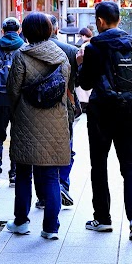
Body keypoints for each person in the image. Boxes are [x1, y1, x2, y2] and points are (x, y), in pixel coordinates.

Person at [76, 1, 132, 242]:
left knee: (99, 165)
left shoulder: (94, 47)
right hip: (129, 112)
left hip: (101, 113)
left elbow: (84, 83)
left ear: (99, 22)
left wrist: (80, 64)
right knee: (129, 166)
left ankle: (103, 218)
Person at [4, 13, 71, 240]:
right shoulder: (62, 56)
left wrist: (17, 111)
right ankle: (51, 227)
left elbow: (12, 90)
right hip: (55, 121)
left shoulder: (22, 56)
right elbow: (63, 89)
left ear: (27, 32)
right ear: (49, 30)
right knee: (51, 176)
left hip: (26, 120)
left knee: (23, 173)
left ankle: (21, 222)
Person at [31, 15, 78, 208]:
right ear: (56, 29)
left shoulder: (27, 51)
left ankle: (43, 196)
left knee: (39, 152)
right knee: (65, 147)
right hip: (64, 105)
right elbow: (78, 80)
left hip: (35, 108)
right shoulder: (71, 51)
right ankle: (62, 184)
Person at [0, 17, 24, 186]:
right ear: (19, 30)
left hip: (0, 98)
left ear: (2, 30)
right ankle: (14, 173)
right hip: (18, 100)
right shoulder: (23, 49)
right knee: (17, 136)